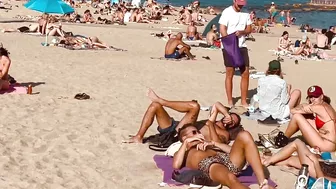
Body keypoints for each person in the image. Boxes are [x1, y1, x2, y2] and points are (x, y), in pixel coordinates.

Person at [173, 124, 274, 189]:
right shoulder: (184, 151)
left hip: (225, 160)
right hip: (210, 164)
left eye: (198, 131)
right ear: (184, 137)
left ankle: (263, 183)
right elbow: (176, 165)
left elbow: (233, 151)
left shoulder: (206, 145)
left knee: (244, 135)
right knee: (231, 178)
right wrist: (186, 143)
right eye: (194, 132)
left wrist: (214, 144)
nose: (198, 134)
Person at [125, 89, 242, 144]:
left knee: (195, 106)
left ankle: (162, 101)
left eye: (233, 122)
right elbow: (217, 104)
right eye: (231, 118)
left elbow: (217, 143)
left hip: (180, 135)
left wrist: (210, 126)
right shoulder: (213, 119)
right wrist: (227, 114)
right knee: (154, 105)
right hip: (176, 126)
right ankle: (138, 137)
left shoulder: (223, 133)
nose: (230, 121)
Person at [219, 0, 252, 107]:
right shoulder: (227, 12)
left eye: (242, 4)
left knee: (245, 72)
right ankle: (230, 100)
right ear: (234, 1)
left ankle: (243, 101)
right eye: (239, 4)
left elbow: (249, 28)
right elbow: (222, 28)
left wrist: (242, 32)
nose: (241, 6)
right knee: (230, 73)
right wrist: (228, 42)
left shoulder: (246, 13)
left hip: (242, 45)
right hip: (229, 46)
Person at [285, 85, 336, 152]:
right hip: (329, 143)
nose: (313, 99)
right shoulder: (325, 105)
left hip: (326, 145)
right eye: (311, 97)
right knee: (307, 118)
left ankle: (284, 139)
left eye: (316, 96)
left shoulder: (319, 107)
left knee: (297, 117)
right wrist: (305, 106)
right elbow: (301, 108)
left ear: (322, 96)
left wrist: (305, 106)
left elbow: (292, 111)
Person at [262, 139, 336, 181]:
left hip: (316, 170)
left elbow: (322, 179)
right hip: (324, 165)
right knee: (290, 160)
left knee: (298, 143)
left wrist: (316, 162)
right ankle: (266, 160)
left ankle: (267, 161)